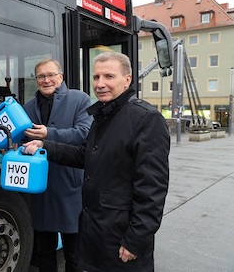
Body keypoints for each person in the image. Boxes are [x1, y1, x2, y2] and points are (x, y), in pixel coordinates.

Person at [23, 51, 170, 271]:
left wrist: (135, 239)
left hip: (121, 235)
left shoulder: (146, 118)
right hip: (96, 229)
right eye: (96, 77)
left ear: (127, 79)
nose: (100, 84)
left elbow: (152, 189)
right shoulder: (103, 116)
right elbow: (84, 155)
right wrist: (45, 146)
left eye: (109, 77)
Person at [23, 58, 92, 272]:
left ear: (60, 77)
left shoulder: (80, 99)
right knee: (44, 255)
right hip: (39, 190)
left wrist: (48, 134)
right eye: (41, 76)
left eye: (51, 75)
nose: (46, 80)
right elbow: (23, 138)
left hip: (69, 188)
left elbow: (85, 133)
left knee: (75, 254)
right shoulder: (27, 106)